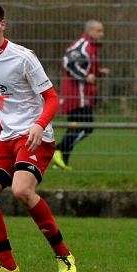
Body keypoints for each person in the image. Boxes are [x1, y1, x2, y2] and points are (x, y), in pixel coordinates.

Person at [0, 1, 77, 272]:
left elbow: (52, 98)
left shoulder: (23, 57)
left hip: (34, 136)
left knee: (21, 191)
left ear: (2, 25)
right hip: (6, 138)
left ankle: (63, 255)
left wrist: (40, 125)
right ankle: (7, 266)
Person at [52, 20, 110, 170]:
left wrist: (98, 72)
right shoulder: (82, 45)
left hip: (85, 94)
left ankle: (61, 164)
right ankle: (58, 150)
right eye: (99, 31)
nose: (102, 34)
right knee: (85, 127)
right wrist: (85, 76)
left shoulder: (92, 47)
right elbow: (68, 62)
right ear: (90, 31)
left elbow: (85, 66)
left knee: (75, 127)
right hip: (77, 95)